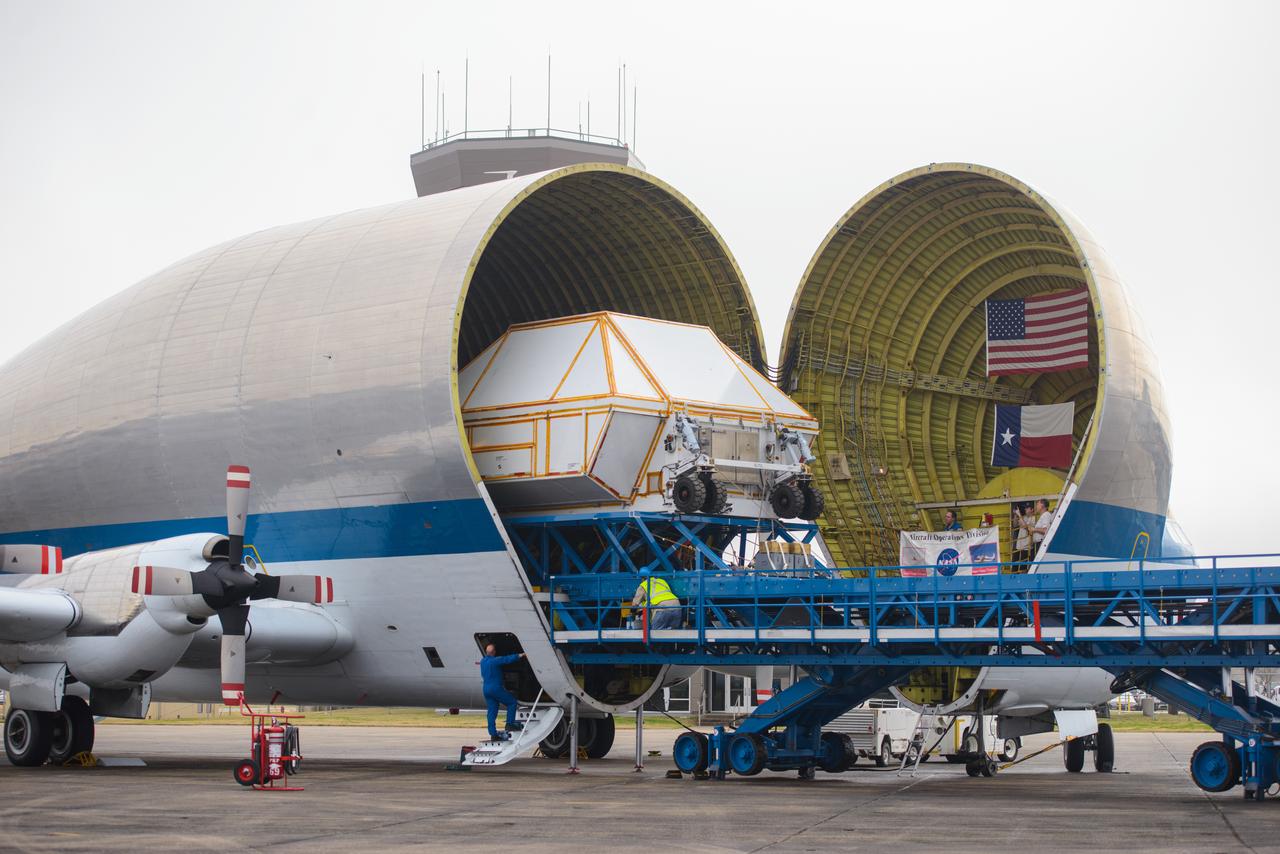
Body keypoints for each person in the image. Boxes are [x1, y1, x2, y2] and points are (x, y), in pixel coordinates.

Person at [480, 644, 525, 741]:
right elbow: (506, 659)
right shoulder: (495, 661)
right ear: (494, 652)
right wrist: (520, 655)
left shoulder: (483, 661)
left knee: (492, 711)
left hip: (486, 689)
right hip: (495, 688)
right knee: (512, 702)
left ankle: (493, 734)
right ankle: (509, 724)